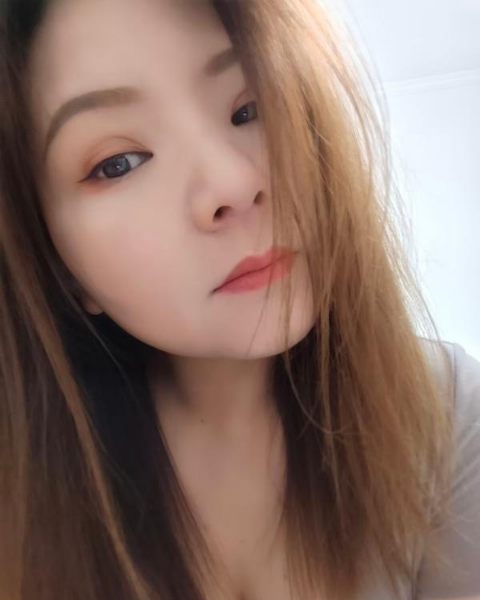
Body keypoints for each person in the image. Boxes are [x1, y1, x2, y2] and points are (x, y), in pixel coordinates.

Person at [0, 0, 478, 599]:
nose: (234, 181)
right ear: (56, 263)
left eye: (249, 109)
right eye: (119, 163)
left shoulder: (446, 410)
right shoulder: (21, 497)